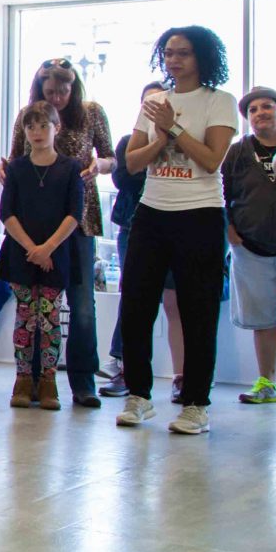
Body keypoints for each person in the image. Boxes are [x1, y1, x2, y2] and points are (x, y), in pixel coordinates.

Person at [117, 25, 238, 436]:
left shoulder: (220, 102)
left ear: (202, 57)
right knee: (135, 306)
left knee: (198, 311)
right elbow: (132, 164)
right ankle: (139, 396)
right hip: (152, 211)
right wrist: (161, 136)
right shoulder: (154, 102)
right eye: (169, 52)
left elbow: (212, 160)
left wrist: (175, 129)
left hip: (200, 214)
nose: (174, 60)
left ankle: (196, 404)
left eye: (183, 53)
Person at [4, 58, 113, 406]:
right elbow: (13, 161)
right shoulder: (28, 114)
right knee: (31, 306)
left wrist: (100, 166)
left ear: (74, 88)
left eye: (64, 91)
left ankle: (82, 382)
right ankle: (31, 379)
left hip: (76, 219)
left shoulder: (92, 113)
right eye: (50, 91)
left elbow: (111, 158)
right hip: (32, 222)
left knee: (81, 305)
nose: (58, 97)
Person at [0, 103, 86, 410]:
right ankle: (22, 380)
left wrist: (47, 248)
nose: (37, 133)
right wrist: (30, 248)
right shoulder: (17, 168)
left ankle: (48, 381)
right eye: (30, 127)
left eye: (43, 126)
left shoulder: (71, 167)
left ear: (56, 128)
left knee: (49, 320)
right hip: (20, 255)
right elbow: (5, 213)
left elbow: (75, 214)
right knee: (24, 317)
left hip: (55, 255)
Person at [222, 86, 276, 405]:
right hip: (250, 249)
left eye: (267, 106)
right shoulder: (238, 151)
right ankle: (267, 384)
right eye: (253, 109)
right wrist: (229, 227)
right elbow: (222, 191)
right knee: (263, 321)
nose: (260, 113)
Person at [100, 81, 178, 395]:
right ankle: (121, 367)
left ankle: (183, 377)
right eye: (149, 101)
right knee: (133, 295)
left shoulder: (182, 139)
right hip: (133, 227)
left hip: (174, 225)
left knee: (175, 301)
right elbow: (124, 177)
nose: (155, 106)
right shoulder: (126, 141)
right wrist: (155, 146)